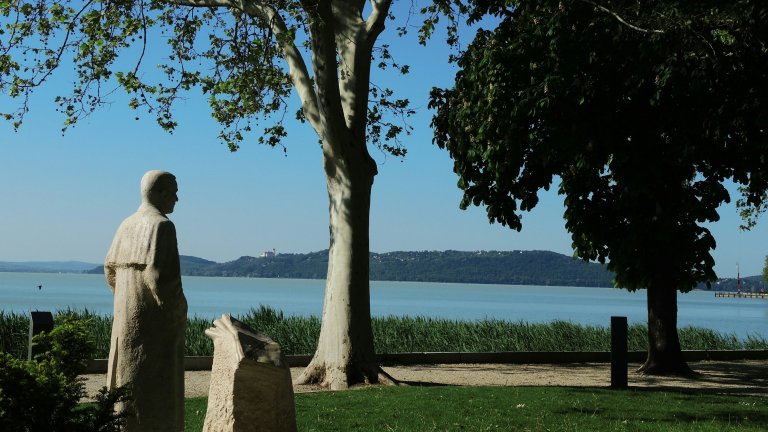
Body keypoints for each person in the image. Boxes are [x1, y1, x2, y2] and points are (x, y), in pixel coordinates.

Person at [104, 170, 187, 431]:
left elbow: (109, 270)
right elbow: (161, 280)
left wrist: (124, 299)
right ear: (160, 193)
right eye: (174, 193)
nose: (177, 199)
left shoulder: (126, 225)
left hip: (125, 318)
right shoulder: (162, 226)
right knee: (154, 389)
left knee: (124, 381)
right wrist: (179, 310)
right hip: (153, 325)